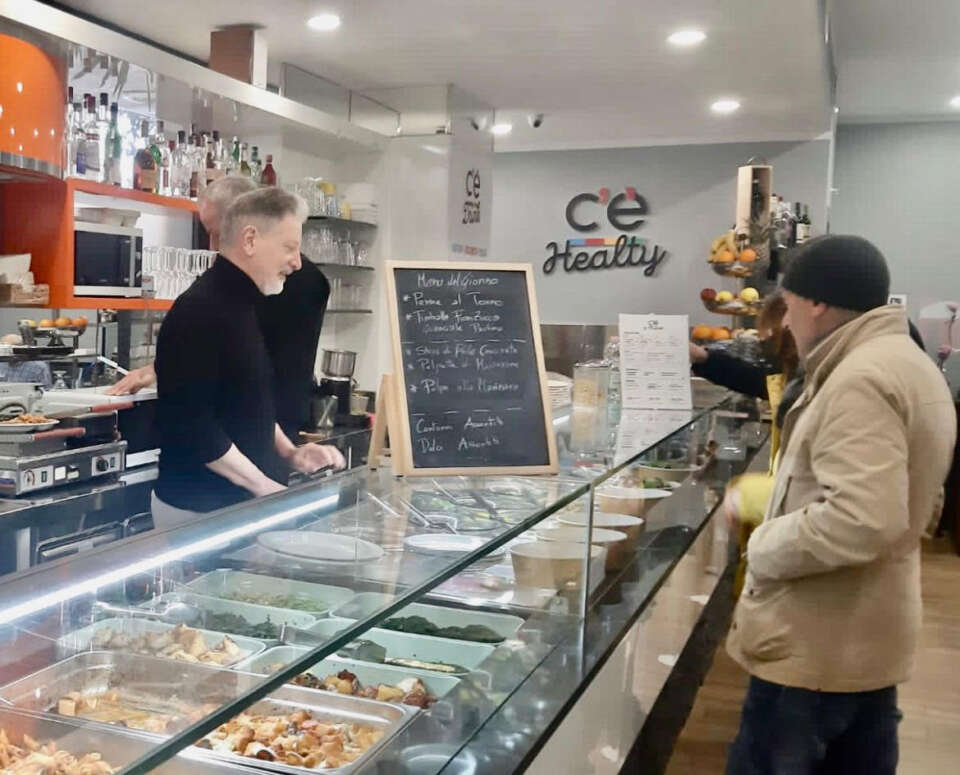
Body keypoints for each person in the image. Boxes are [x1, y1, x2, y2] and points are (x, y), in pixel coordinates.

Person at [725, 235, 956, 775]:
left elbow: (861, 519)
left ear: (816, 303)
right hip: (868, 636)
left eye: (788, 305)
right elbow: (920, 500)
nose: (785, 322)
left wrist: (763, 545)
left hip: (814, 647)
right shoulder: (908, 362)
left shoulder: (859, 379)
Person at [152, 187, 344, 527]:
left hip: (236, 507)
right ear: (251, 240)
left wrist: (290, 453)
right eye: (289, 247)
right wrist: (264, 487)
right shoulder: (200, 309)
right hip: (199, 511)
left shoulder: (244, 304)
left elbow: (248, 402)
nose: (297, 262)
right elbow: (194, 426)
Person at [108, 176, 331, 439]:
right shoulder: (228, 292)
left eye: (216, 232)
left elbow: (249, 367)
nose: (214, 246)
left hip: (260, 427)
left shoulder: (291, 283)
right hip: (259, 429)